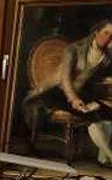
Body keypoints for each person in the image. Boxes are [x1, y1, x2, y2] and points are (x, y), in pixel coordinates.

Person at [25, 20, 112, 166]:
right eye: (106, 33)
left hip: (80, 91)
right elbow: (65, 79)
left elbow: (97, 76)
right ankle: (110, 155)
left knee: (108, 113)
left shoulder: (107, 55)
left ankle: (104, 158)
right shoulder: (74, 49)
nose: (109, 38)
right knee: (93, 116)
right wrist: (73, 99)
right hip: (56, 92)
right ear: (96, 32)